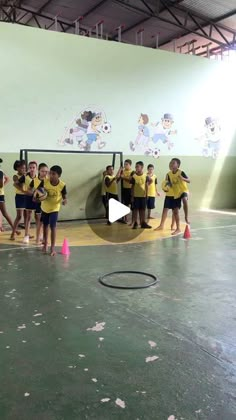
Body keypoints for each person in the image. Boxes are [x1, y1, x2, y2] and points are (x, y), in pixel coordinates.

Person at [39, 165, 67, 256]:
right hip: (45, 207)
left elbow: (64, 196)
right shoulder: (44, 182)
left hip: (55, 208)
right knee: (45, 226)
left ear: (59, 175)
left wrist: (65, 200)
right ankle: (45, 244)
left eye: (53, 174)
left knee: (53, 227)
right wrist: (37, 197)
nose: (51, 175)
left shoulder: (62, 185)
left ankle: (52, 248)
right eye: (50, 173)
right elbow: (38, 191)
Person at [15, 161, 38, 243]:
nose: (32, 169)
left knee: (38, 217)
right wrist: (24, 191)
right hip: (28, 198)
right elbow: (16, 184)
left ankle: (39, 235)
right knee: (28, 217)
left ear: (36, 168)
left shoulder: (39, 177)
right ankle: (26, 235)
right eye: (30, 167)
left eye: (33, 167)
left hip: (37, 198)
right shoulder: (25, 176)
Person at [28, 163, 49, 245]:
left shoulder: (48, 180)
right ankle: (37, 238)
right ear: (39, 171)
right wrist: (34, 194)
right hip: (38, 203)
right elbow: (29, 189)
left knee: (45, 222)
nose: (45, 173)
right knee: (39, 222)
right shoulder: (35, 180)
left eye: (46, 171)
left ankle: (44, 238)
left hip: (47, 204)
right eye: (43, 171)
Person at [130, 161, 152, 229]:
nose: (136, 168)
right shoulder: (134, 176)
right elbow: (132, 187)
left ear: (141, 167)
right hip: (136, 196)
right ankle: (135, 223)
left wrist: (147, 194)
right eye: (135, 166)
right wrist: (132, 196)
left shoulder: (145, 176)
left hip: (143, 196)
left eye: (137, 166)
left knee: (142, 209)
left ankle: (143, 223)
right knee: (135, 210)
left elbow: (149, 182)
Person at [168, 158, 190, 225]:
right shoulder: (169, 174)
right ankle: (173, 223)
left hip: (183, 190)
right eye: (171, 163)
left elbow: (189, 180)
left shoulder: (181, 172)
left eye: (173, 163)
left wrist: (182, 178)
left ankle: (186, 217)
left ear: (178, 165)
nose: (171, 164)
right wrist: (167, 187)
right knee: (175, 210)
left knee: (184, 200)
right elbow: (169, 184)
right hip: (176, 193)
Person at [11, 160, 27, 240]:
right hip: (19, 197)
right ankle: (13, 233)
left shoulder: (26, 175)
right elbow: (18, 184)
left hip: (26, 197)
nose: (23, 169)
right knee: (19, 216)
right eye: (22, 168)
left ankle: (27, 234)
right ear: (17, 168)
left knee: (26, 216)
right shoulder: (15, 176)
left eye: (24, 168)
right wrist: (24, 177)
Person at [0, 158, 16, 231]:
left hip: (0, 195)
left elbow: (1, 184)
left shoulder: (0, 172)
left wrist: (3, 184)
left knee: (4, 213)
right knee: (4, 213)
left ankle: (14, 229)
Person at [120, 159, 134, 224]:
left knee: (133, 205)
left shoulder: (132, 172)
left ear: (130, 165)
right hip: (124, 189)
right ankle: (126, 219)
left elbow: (130, 180)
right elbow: (119, 178)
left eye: (126, 164)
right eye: (124, 164)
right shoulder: (123, 171)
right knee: (125, 204)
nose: (125, 166)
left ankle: (133, 219)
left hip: (131, 190)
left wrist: (123, 178)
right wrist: (122, 177)